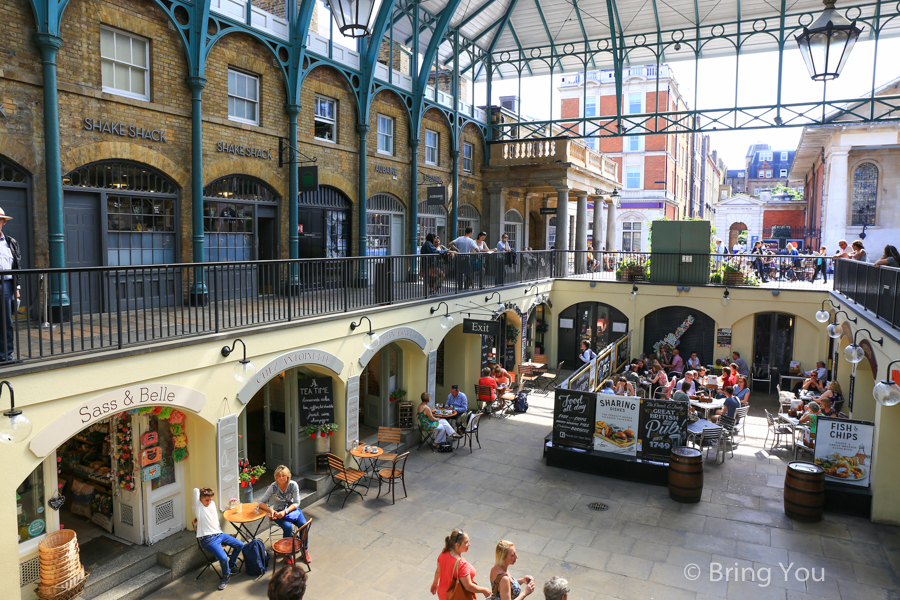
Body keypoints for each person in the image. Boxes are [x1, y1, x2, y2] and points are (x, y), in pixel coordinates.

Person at [192, 487, 244, 590]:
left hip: (219, 534)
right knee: (223, 557)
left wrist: (209, 497)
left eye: (210, 499)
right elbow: (195, 490)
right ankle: (226, 575)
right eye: (207, 500)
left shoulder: (212, 504)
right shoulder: (197, 507)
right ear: (200, 498)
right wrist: (203, 491)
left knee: (240, 545)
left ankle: (231, 565)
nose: (209, 502)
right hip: (208, 539)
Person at [260, 466, 311, 563]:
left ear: (288, 476)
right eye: (278, 476)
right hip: (278, 513)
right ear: (276, 477)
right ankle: (287, 553)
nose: (281, 478)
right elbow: (261, 502)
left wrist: (286, 511)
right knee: (288, 527)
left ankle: (304, 549)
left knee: (304, 525)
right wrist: (270, 510)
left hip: (292, 510)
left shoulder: (293, 485)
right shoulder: (273, 487)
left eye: (283, 475)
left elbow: (296, 503)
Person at [431, 529, 491, 599]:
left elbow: (438, 571)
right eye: (466, 542)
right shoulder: (461, 564)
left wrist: (435, 583)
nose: (469, 544)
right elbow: (468, 586)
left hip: (443, 594)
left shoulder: (443, 553)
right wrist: (484, 590)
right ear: (457, 545)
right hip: (456, 596)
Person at [0, 209, 21, 362]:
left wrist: (17, 288)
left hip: (6, 285)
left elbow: (17, 266)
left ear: (3, 222)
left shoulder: (10, 242)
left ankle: (6, 355)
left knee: (6, 321)